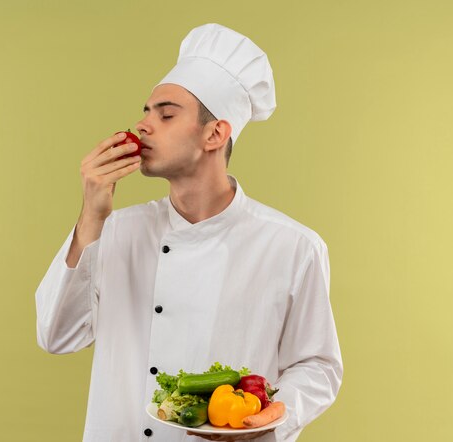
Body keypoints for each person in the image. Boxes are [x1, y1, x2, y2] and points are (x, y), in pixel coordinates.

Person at [35, 23, 343, 442]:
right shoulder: (116, 230)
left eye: (165, 114)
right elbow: (56, 335)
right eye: (145, 112)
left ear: (215, 133)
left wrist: (269, 418)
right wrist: (91, 216)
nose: (143, 125)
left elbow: (318, 365)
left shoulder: (292, 246)